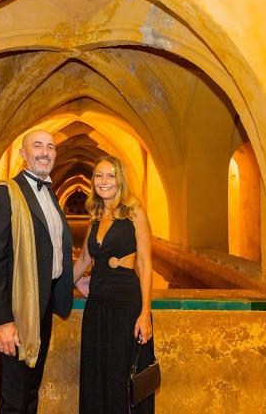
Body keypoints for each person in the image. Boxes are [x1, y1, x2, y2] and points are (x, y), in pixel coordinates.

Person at [0, 129, 73, 414]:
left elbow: (53, 250)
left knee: (30, 388)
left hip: (42, 304)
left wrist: (74, 280)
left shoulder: (50, 195)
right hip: (17, 307)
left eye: (50, 147)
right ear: (23, 154)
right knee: (14, 395)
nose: (45, 152)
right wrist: (3, 321)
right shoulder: (4, 193)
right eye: (37, 146)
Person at [73, 155, 156, 414]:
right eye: (98, 175)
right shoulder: (96, 216)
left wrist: (145, 313)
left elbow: (145, 263)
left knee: (123, 376)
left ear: (120, 180)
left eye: (110, 175)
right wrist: (59, 289)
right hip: (97, 305)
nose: (104, 181)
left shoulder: (134, 212)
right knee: (97, 374)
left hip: (126, 304)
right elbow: (85, 259)